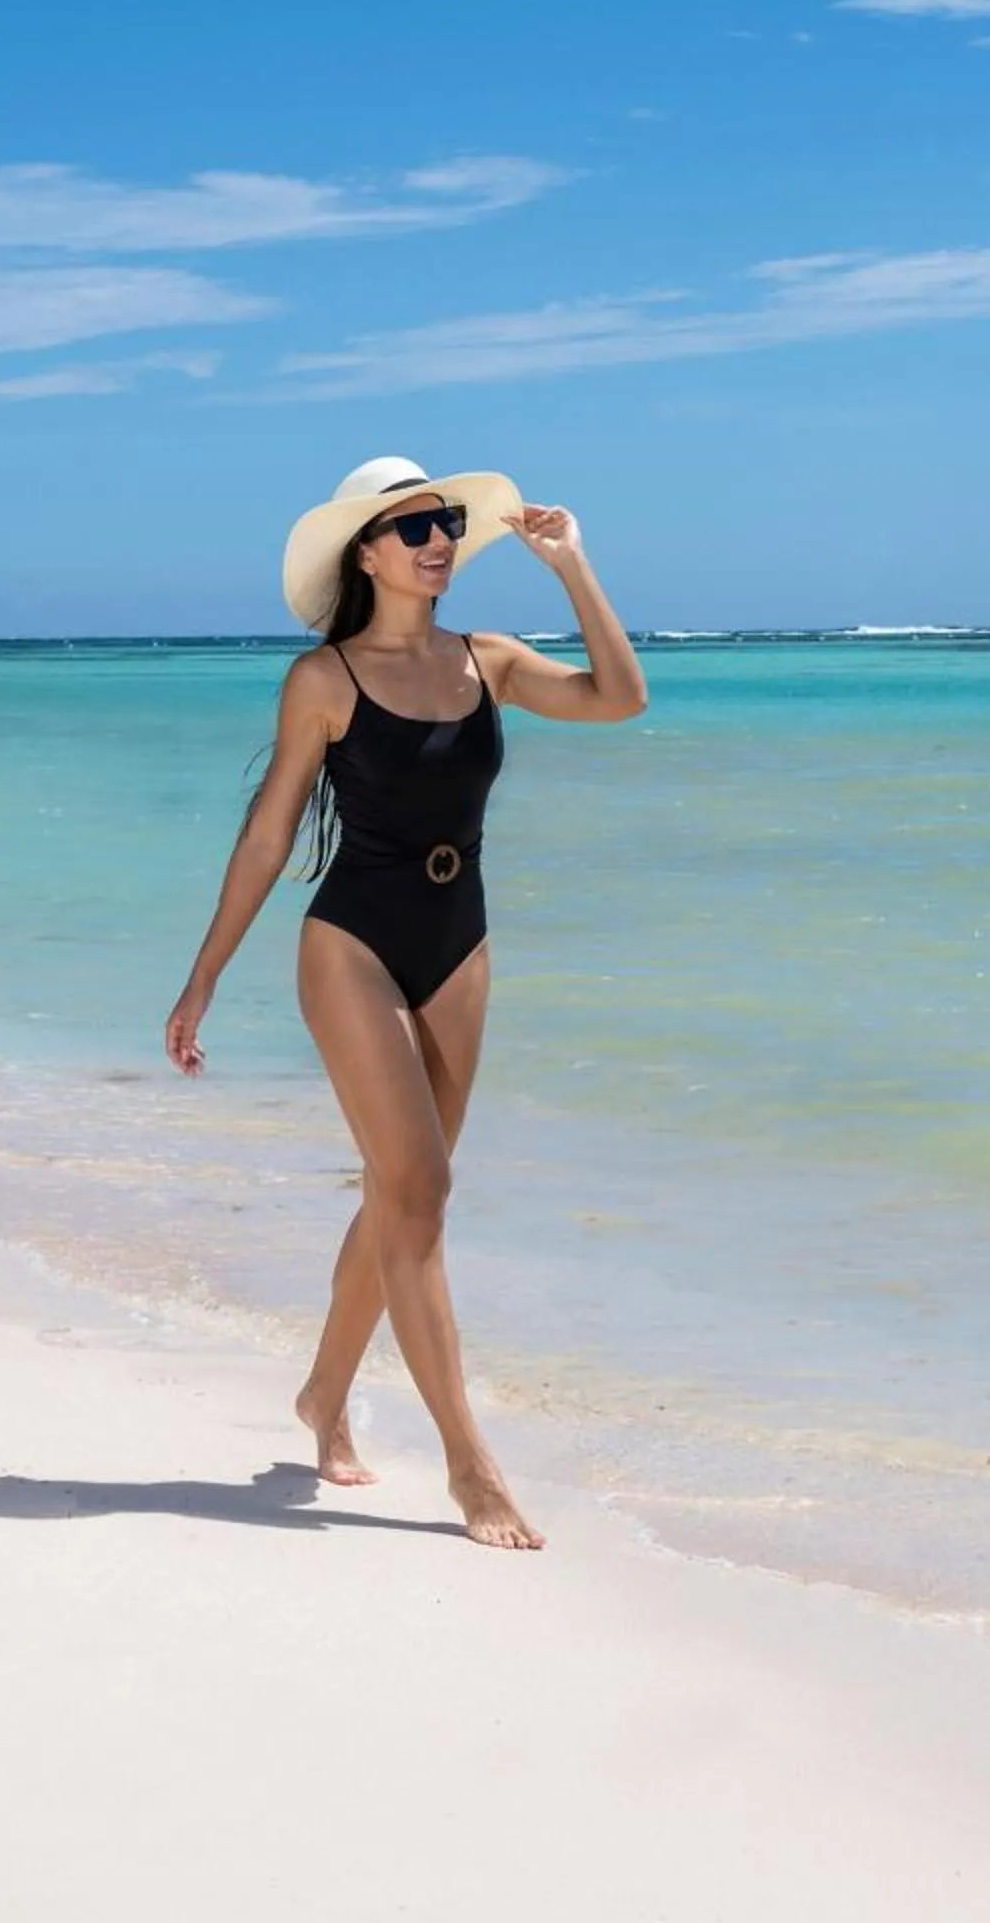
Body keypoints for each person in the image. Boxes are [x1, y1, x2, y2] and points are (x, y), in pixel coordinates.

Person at [166, 457, 648, 1550]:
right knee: (422, 1185)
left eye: (445, 523)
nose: (439, 539)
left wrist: (574, 569)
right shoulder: (324, 680)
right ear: (367, 554)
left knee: (402, 1197)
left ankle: (323, 1397)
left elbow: (621, 698)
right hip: (353, 943)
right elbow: (268, 833)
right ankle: (469, 1462)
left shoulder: (489, 661)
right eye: (414, 526)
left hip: (458, 943)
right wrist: (203, 977)